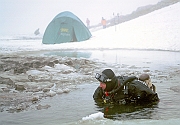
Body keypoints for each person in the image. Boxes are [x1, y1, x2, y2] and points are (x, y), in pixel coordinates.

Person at [93, 69, 159, 105]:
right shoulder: (104, 88)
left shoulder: (132, 87)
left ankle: (148, 83)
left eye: (102, 83)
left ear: (110, 83)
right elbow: (96, 97)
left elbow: (154, 99)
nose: (100, 85)